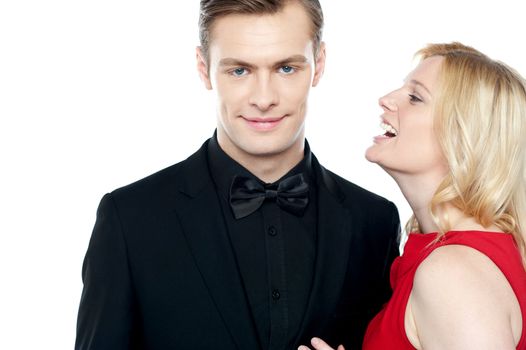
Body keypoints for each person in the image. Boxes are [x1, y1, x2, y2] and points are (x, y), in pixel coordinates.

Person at [74, 1, 401, 349]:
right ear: (204, 68)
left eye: (286, 68)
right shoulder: (130, 219)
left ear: (319, 64)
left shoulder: (375, 222)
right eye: (240, 71)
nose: (264, 99)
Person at [299, 42, 526, 350]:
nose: (386, 100)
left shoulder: (453, 275)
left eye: (415, 97)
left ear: (461, 137)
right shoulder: (456, 256)